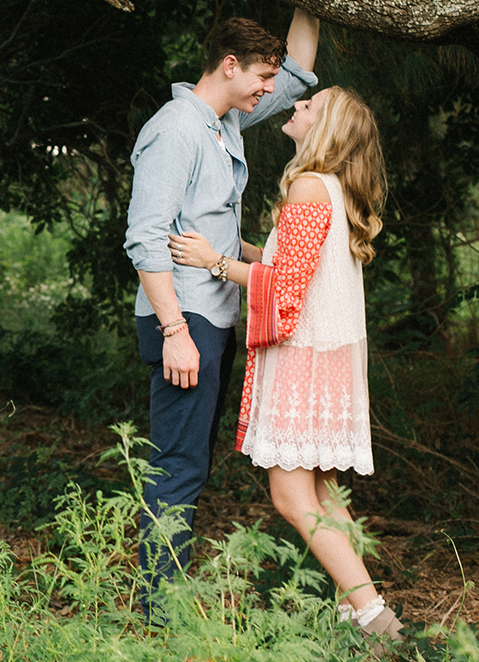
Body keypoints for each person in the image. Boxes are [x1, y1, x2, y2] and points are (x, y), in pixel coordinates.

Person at [168, 85, 401, 641]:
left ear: (325, 131)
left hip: (304, 362)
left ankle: (373, 621)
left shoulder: (306, 187)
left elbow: (286, 286)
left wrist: (214, 262)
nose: (295, 106)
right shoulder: (334, 190)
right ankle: (363, 613)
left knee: (292, 497)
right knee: (320, 495)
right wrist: (236, 249)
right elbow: (289, 264)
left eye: (308, 106)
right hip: (332, 361)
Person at [122, 9, 320, 609]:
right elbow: (144, 237)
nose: (269, 91)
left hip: (213, 315)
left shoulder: (222, 120)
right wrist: (174, 330)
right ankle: (158, 607)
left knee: (191, 462)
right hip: (183, 318)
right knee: (178, 464)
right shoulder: (176, 128)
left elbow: (299, 71)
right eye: (261, 77)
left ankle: (165, 594)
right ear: (229, 66)